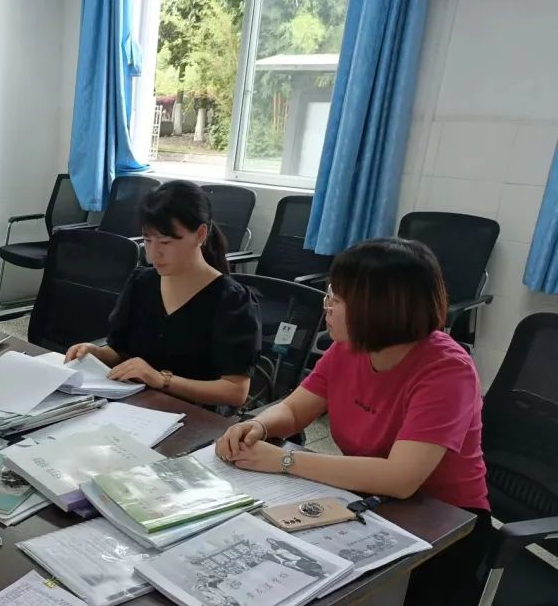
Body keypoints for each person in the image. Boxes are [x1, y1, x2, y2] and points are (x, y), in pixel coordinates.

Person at [214, 237, 488, 513]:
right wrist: (259, 425)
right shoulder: (349, 347)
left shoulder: (448, 371)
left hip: (444, 516)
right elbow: (294, 411)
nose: (327, 307)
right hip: (368, 497)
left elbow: (401, 478)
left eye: (337, 300)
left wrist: (284, 460)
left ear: (378, 310)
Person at [65, 180, 260, 407]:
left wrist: (162, 380)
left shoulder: (232, 300)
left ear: (200, 234)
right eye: (148, 240)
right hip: (133, 405)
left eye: (166, 242)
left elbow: (235, 391)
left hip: (193, 415)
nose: (153, 254)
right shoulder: (141, 282)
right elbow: (121, 351)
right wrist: (96, 353)